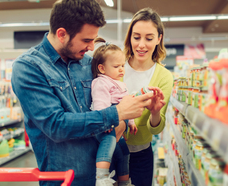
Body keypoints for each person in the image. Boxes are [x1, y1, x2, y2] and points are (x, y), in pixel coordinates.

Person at [11, 1, 154, 186]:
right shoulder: (29, 68)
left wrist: (128, 112)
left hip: (105, 177)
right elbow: (56, 125)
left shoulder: (89, 64)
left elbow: (108, 103)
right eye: (86, 40)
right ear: (62, 34)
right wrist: (117, 113)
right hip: (66, 180)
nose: (92, 47)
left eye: (94, 39)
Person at [123, 7, 173, 186]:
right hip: (109, 150)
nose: (141, 45)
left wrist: (154, 113)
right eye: (136, 37)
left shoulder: (164, 77)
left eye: (149, 38)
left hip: (141, 155)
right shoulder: (114, 64)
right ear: (130, 37)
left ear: (159, 39)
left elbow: (156, 130)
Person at [91, 37, 137, 186]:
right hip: (106, 125)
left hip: (118, 123)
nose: (121, 69)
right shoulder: (101, 82)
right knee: (108, 144)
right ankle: (102, 178)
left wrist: (131, 122)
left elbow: (126, 105)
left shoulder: (119, 84)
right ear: (102, 68)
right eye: (117, 66)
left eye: (122, 65)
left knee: (124, 151)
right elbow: (100, 104)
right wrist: (105, 122)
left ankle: (124, 181)